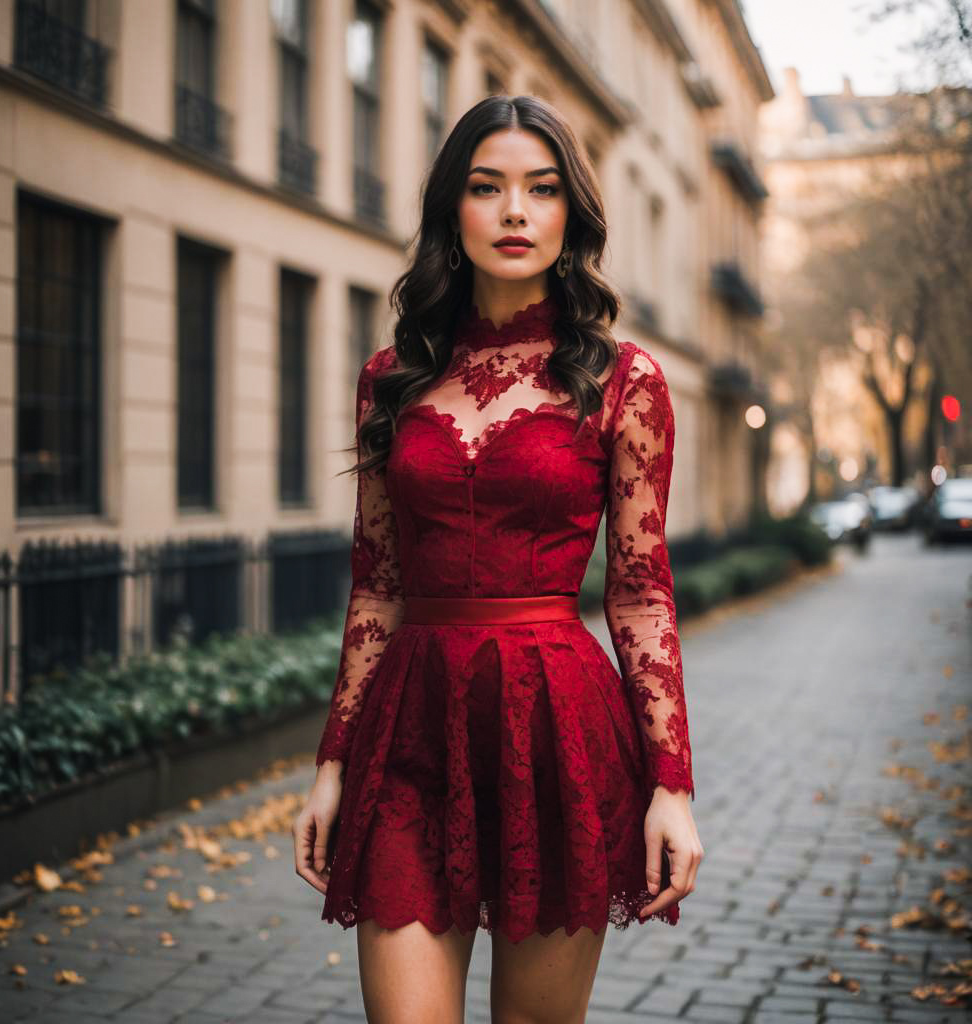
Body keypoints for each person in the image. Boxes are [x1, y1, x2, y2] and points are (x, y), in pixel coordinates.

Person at [293, 94, 703, 1024]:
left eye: (541, 188)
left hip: (559, 732)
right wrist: (332, 766)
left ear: (571, 215)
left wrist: (672, 786)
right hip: (410, 732)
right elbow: (378, 587)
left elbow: (640, 595)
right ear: (453, 210)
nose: (515, 210)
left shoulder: (622, 380)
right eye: (488, 188)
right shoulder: (390, 377)